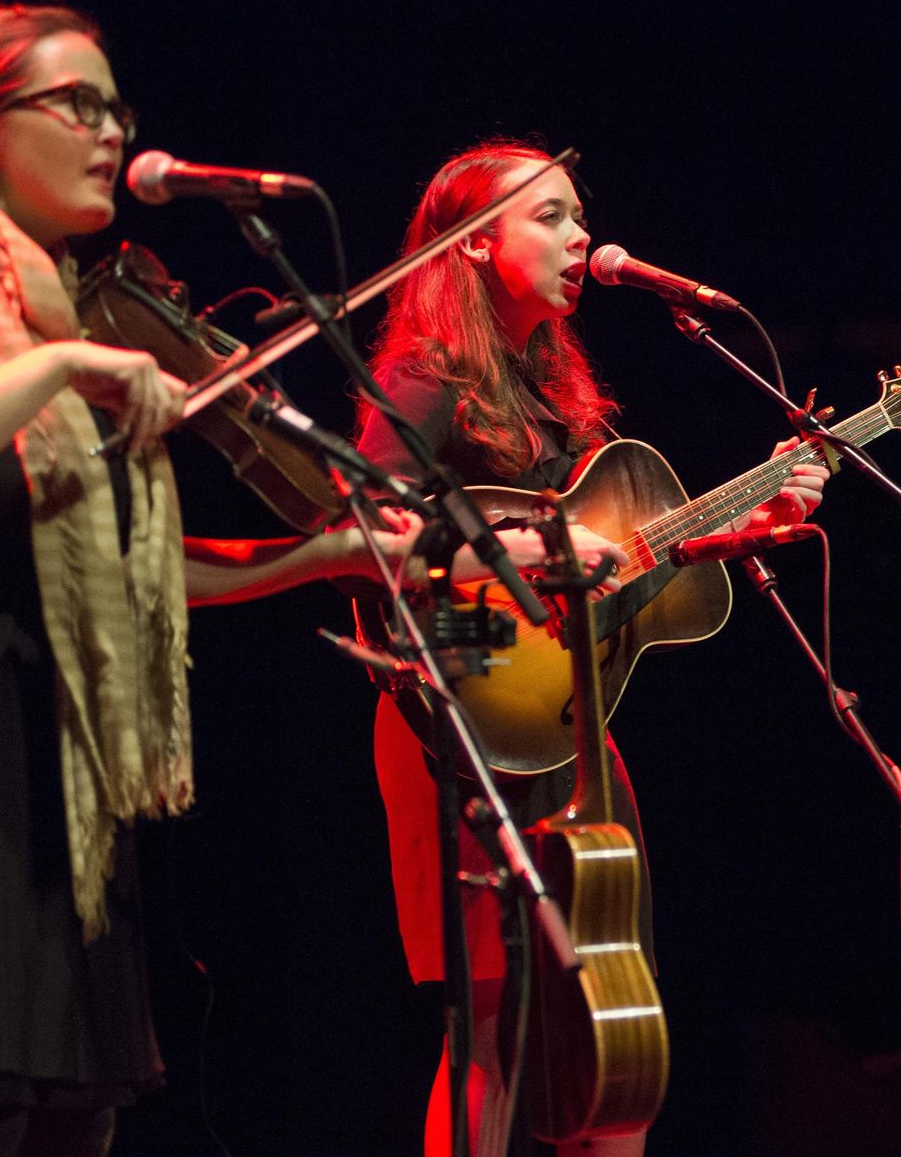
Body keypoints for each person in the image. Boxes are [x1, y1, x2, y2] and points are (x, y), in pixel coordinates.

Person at [0, 2, 413, 1157]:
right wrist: (67, 367)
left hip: (53, 728)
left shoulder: (50, 316)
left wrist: (322, 555)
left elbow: (134, 572)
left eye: (115, 108)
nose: (111, 132)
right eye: (77, 104)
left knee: (77, 1115)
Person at [354, 141, 831, 1157]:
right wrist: (514, 570)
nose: (580, 239)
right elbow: (366, 543)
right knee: (493, 1028)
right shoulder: (423, 376)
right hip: (459, 727)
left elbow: (613, 571)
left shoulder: (554, 393)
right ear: (473, 244)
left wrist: (741, 527)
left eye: (579, 217)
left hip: (572, 728)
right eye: (552, 217)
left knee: (614, 1015)